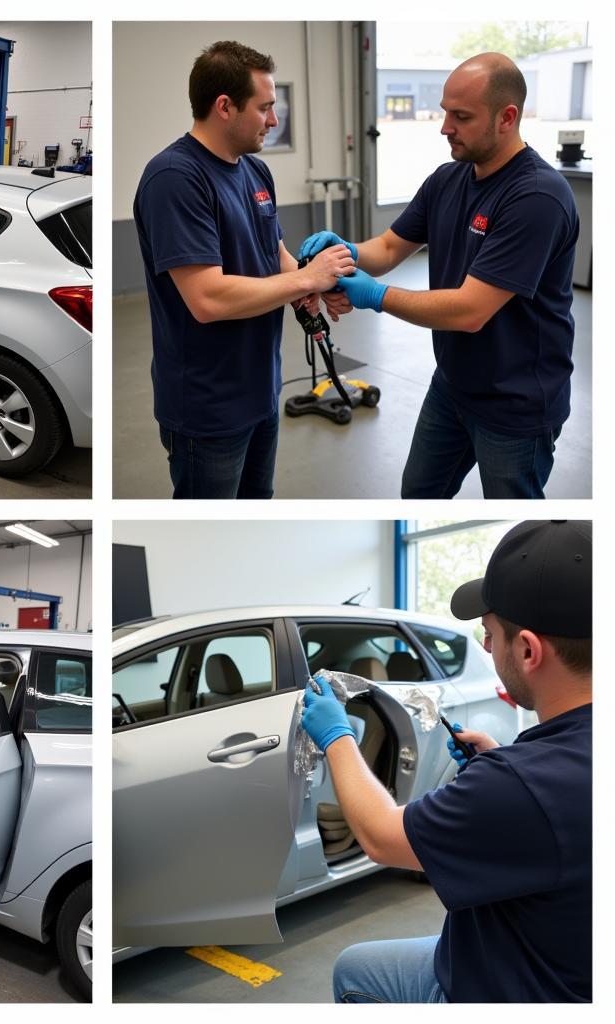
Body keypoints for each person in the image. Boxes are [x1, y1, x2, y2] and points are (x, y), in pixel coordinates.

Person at [300, 520, 591, 1002]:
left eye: (490, 635)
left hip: (518, 987)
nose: (486, 649)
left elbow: (378, 835)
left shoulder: (519, 784)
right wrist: (501, 761)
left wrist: (336, 738)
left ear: (528, 649)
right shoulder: (551, 765)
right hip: (572, 966)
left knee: (355, 971)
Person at [298, 53, 579, 499]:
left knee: (516, 517)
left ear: (507, 118)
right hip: (452, 386)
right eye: (446, 111)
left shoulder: (537, 197)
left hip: (515, 404)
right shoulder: (447, 180)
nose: (445, 126)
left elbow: (470, 311)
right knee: (420, 494)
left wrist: (373, 294)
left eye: (461, 116)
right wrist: (346, 251)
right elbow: (389, 248)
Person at [133, 40, 355, 499]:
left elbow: (273, 254)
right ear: (225, 106)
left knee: (258, 503)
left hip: (259, 389)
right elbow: (207, 298)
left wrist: (311, 284)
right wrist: (307, 277)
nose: (274, 121)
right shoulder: (175, 178)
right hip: (207, 406)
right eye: (266, 108)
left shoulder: (255, 173)